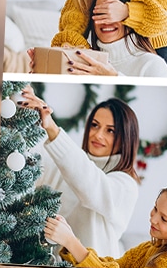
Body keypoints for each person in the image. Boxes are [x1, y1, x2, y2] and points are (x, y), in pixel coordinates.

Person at [19, 87, 140, 257]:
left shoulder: (126, 185)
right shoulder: (67, 164)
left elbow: (89, 185)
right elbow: (35, 157)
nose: (98, 135)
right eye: (95, 125)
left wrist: (52, 128)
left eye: (110, 130)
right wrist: (31, 115)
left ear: (126, 137)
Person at [44, 182, 167, 268]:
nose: (152, 218)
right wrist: (69, 241)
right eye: (155, 209)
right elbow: (112, 266)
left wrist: (72, 242)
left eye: (164, 218)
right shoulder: (151, 247)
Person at [39, 0, 167, 78]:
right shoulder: (83, 61)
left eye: (112, 13)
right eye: (99, 13)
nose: (105, 21)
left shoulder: (152, 65)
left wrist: (113, 77)